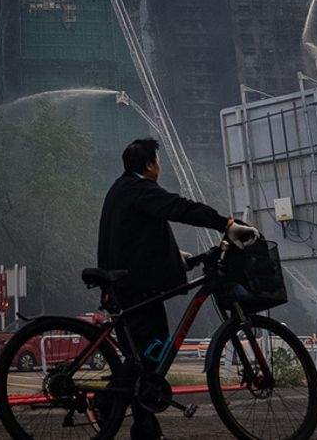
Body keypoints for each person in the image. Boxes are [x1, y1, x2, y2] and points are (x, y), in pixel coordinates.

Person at [97, 137, 258, 440]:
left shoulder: (121, 189)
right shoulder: (141, 188)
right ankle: (106, 402)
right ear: (149, 165)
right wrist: (226, 224)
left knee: (143, 360)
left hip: (124, 285)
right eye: (157, 160)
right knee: (156, 347)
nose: (159, 166)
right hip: (136, 289)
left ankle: (144, 428)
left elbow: (134, 237)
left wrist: (175, 257)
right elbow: (180, 208)